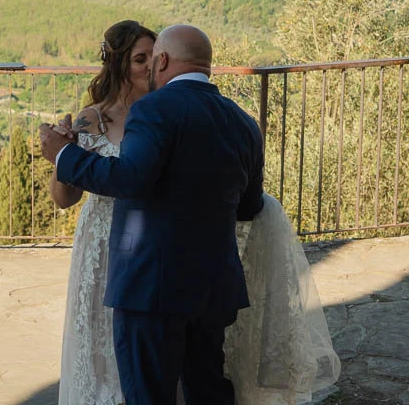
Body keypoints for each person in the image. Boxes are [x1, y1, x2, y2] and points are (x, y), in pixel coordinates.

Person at [42, 25, 340, 405]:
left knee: (148, 394)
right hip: (214, 286)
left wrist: (63, 155)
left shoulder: (153, 108)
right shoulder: (241, 121)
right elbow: (249, 206)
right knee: (207, 390)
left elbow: (132, 179)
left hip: (150, 285)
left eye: (153, 59)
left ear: (163, 60)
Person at [50, 20, 158, 405]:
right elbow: (64, 198)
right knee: (100, 334)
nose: (149, 66)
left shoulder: (165, 113)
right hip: (102, 243)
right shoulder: (92, 118)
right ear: (117, 66)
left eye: (153, 57)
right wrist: (64, 155)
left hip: (149, 239)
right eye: (139, 59)